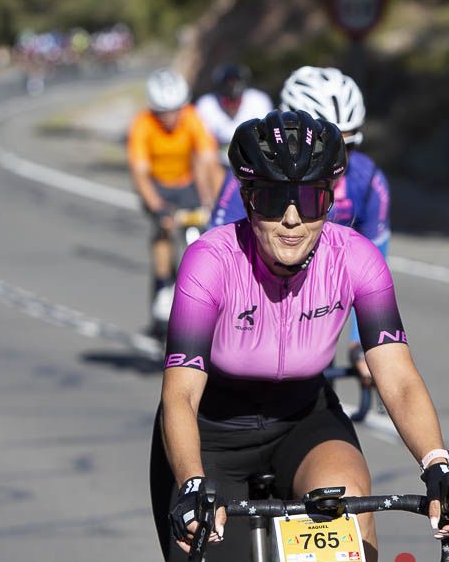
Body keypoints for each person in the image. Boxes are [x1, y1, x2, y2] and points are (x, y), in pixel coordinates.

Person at [150, 110, 449, 562]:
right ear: (247, 198)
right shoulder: (209, 261)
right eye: (274, 199)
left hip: (304, 420)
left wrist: (438, 466)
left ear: (331, 199)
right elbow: (180, 394)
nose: (293, 219)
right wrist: (190, 483)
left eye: (312, 199)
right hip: (211, 438)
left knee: (351, 509)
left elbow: (397, 378)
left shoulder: (357, 260)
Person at [210, 66, 390, 390]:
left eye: (347, 149)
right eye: (326, 147)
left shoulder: (368, 180)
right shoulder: (255, 175)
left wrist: (362, 342)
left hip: (316, 321)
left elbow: (374, 264)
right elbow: (216, 258)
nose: (337, 163)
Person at [127, 69, 220, 328]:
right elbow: (140, 173)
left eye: (175, 110)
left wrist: (214, 201)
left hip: (185, 183)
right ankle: (163, 285)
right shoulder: (143, 124)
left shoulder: (191, 118)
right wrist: (157, 208)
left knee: (198, 235)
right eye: (163, 112)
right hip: (157, 187)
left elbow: (208, 159)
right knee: (164, 231)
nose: (170, 118)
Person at [194, 63, 273, 148]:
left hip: (253, 155)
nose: (232, 86)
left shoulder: (259, 100)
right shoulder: (206, 104)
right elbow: (201, 142)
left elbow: (266, 138)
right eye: (228, 82)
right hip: (217, 156)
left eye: (236, 81)